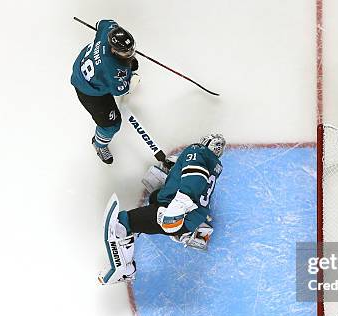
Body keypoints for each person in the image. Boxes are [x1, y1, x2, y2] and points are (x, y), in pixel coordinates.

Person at [98, 134, 226, 285]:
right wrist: (177, 166)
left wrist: (177, 209)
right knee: (155, 197)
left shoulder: (197, 151)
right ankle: (188, 232)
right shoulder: (212, 165)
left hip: (179, 216)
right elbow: (195, 174)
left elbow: (194, 179)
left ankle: (125, 271)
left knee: (121, 223)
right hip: (194, 216)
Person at [71, 19, 140, 164]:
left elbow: (101, 23)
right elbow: (120, 90)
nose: (130, 53)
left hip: (84, 68)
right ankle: (99, 144)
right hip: (89, 91)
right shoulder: (114, 69)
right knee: (112, 124)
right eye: (125, 52)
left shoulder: (109, 30)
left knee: (121, 66)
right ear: (114, 50)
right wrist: (131, 79)